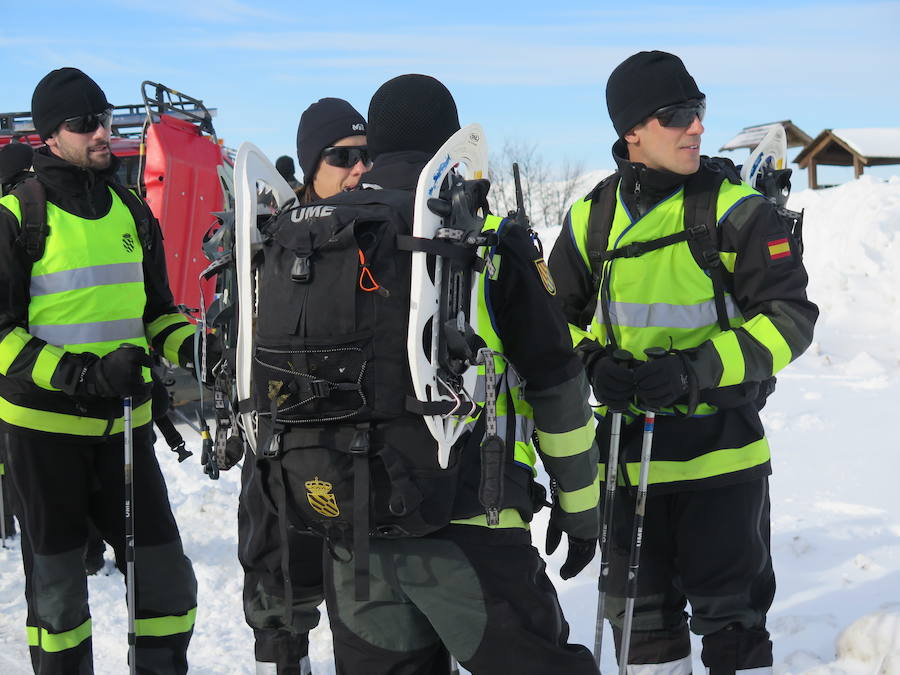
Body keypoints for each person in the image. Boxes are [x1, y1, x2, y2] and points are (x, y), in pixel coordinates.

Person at [252, 73, 601, 675]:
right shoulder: (483, 243)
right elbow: (558, 385)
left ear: (377, 146)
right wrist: (580, 504)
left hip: (351, 532)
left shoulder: (306, 240)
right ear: (450, 144)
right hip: (468, 522)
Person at [548, 51, 818, 674]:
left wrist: (695, 369)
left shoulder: (737, 211)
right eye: (676, 116)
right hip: (627, 466)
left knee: (734, 633)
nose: (695, 126)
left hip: (722, 461)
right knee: (642, 639)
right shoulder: (591, 218)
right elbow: (550, 323)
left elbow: (789, 318)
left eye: (698, 111)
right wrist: (591, 365)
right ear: (631, 132)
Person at [0, 67, 200, 674]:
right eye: (84, 124)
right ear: (49, 136)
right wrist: (83, 376)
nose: (101, 134)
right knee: (59, 596)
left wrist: (195, 350)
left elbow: (159, 315)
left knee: (166, 582)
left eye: (105, 120)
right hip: (44, 436)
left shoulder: (133, 212)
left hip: (124, 431)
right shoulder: (17, 216)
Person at [238, 97, 370, 675]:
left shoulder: (381, 239)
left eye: (367, 156)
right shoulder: (271, 243)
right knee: (280, 582)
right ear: (313, 163)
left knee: (363, 600)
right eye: (342, 157)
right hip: (278, 446)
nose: (358, 168)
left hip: (359, 448)